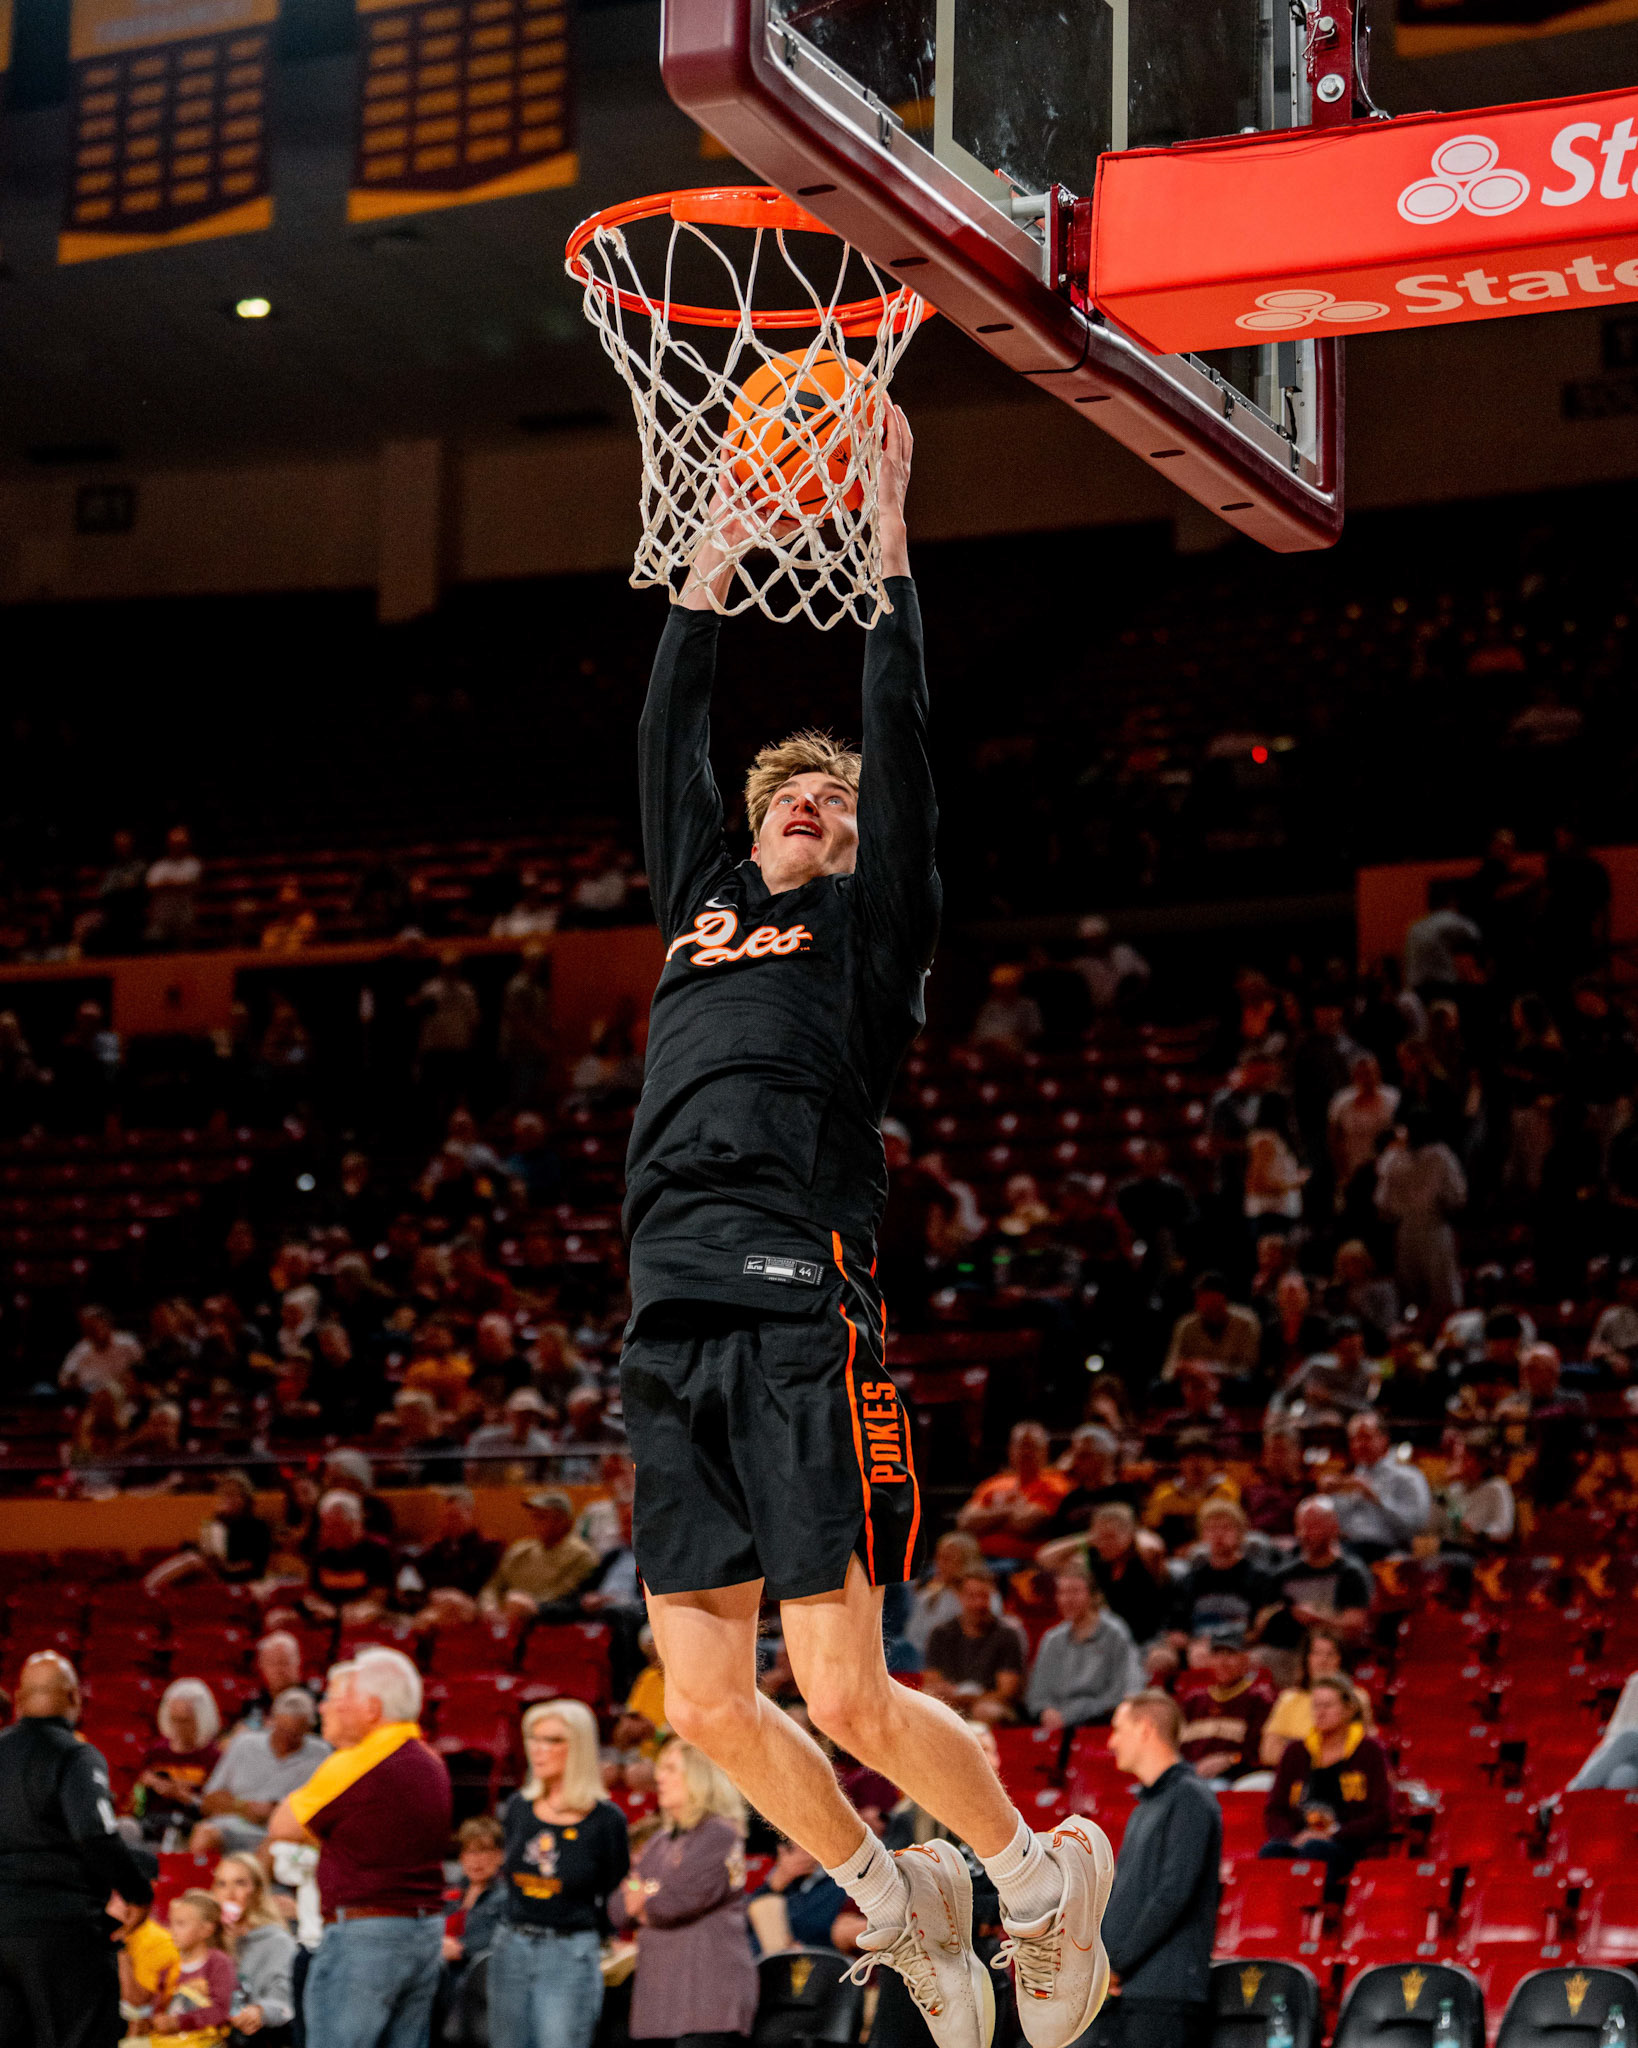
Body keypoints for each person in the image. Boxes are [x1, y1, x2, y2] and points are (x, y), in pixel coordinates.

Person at [616, 406, 1110, 2048]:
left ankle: (1034, 1878)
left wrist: (881, 534)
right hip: (663, 1307)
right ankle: (899, 1906)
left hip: (795, 1288)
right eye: (797, 791)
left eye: (836, 795)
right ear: (755, 823)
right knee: (702, 1703)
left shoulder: (866, 926)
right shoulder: (699, 895)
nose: (819, 800)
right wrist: (712, 546)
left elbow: (894, 730)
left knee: (836, 1684)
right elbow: (669, 721)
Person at [267, 1648, 452, 2048]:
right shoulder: (431, 1760)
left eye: (338, 1697)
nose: (325, 1707)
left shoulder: (357, 1762)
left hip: (365, 1937)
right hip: (423, 1932)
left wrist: (326, 1828)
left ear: (371, 1707)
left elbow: (282, 1825)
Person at [0, 1651, 158, 2048]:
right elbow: (92, 1833)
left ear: (18, 1701)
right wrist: (137, 1889)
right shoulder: (74, 1753)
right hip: (62, 1933)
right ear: (75, 1698)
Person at [486, 1699, 628, 2048]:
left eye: (552, 1740)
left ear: (578, 1747)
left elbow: (618, 1884)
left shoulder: (607, 1820)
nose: (538, 1749)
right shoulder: (519, 1807)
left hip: (568, 1952)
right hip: (510, 1946)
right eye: (534, 1738)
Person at [608, 1739, 757, 2045]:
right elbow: (619, 1908)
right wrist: (641, 1896)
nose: (659, 1777)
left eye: (671, 1769)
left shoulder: (719, 1834)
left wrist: (643, 1897)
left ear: (701, 1778)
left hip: (707, 1991)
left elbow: (676, 1902)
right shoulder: (660, 1840)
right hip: (661, 1996)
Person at [1100, 1691, 1222, 2048]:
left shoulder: (1190, 1798)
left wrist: (1117, 1963)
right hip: (1134, 1989)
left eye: (1118, 1729)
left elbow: (1174, 1893)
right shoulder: (1147, 1805)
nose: (1111, 1742)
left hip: (1166, 1994)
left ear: (1145, 1728)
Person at [1262, 1675, 1391, 1871]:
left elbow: (1382, 1814)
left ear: (1349, 1709)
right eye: (1316, 1706)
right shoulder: (1295, 1752)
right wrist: (1292, 1838)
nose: (1319, 1713)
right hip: (1301, 1840)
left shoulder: (1369, 1751)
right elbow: (1275, 1809)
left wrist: (1334, 1834)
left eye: (1328, 1706)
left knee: (1316, 1849)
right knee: (1272, 1851)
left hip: (1351, 1845)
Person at [191, 1689, 329, 1857]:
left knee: (274, 1847)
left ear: (308, 1728)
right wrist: (244, 1807)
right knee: (203, 1834)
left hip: (281, 1835)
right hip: (233, 1825)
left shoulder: (321, 1754)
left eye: (294, 1735)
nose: (286, 1740)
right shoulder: (244, 1743)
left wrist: (277, 1813)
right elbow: (208, 1801)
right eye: (282, 1731)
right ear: (271, 1721)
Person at [1027, 1570, 1144, 1732]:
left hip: (1100, 1722)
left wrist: (1074, 1714)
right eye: (1062, 1593)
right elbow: (1038, 1692)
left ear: (1093, 1595)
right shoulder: (1052, 1639)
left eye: (1075, 1591)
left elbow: (1125, 1689)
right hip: (1056, 1724)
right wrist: (1046, 1710)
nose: (1068, 1599)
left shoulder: (1115, 1633)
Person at [1260, 1498, 1372, 1653]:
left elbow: (1356, 1625)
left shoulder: (1350, 1572)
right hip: (1287, 1650)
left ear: (1334, 1527)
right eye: (1301, 1527)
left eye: (1314, 1526)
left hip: (1335, 1652)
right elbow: (1262, 1621)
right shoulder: (1283, 1575)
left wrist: (1316, 1618)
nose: (1306, 1534)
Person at [211, 1854, 297, 2041]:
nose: (229, 1893)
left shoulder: (277, 1941)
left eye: (240, 1883)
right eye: (222, 1884)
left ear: (257, 1890)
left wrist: (260, 2011)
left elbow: (283, 2000)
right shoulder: (208, 1937)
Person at [923, 1569, 1026, 1725]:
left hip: (991, 1704)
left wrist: (968, 1698)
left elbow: (1007, 1693)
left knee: (985, 1710)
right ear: (960, 1597)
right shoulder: (941, 1633)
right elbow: (932, 1681)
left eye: (984, 1596)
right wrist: (950, 1694)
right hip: (952, 1700)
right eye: (971, 1596)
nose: (978, 1604)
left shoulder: (1007, 1635)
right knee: (927, 1700)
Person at [1175, 1630, 1277, 1786]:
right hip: (1189, 1775)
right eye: (1217, 1655)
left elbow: (1261, 1754)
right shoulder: (1193, 1700)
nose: (1222, 1662)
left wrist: (1231, 1759)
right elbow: (1176, 1748)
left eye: (1230, 1654)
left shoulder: (1260, 1699)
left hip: (1235, 1778)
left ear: (1246, 1659)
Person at [1329, 1412, 1433, 1564]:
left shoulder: (1408, 1477)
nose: (1359, 1444)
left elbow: (1415, 1527)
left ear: (1384, 1439)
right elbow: (1337, 1526)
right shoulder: (1346, 1479)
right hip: (1348, 1546)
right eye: (1354, 1439)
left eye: (1365, 1437)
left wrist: (1377, 1499)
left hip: (1388, 1549)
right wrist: (1328, 1497)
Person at [479, 1489, 598, 1620]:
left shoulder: (581, 1555)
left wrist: (522, 1605)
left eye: (542, 1516)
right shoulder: (520, 1550)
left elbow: (564, 1596)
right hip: (504, 1615)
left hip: (547, 1620)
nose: (534, 1521)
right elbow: (493, 1586)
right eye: (534, 1516)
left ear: (563, 1521)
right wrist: (490, 1608)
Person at [1259, 1629, 1367, 1767]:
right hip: (1293, 1772)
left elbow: (1359, 1751)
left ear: (1341, 1659)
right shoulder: (1288, 1698)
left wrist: (1292, 1744)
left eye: (1330, 1654)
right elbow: (1268, 1753)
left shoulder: (1357, 1698)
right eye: (1316, 1653)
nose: (1323, 1661)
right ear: (1306, 1659)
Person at [135, 1679, 222, 1843]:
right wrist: (146, 1784)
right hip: (151, 1825)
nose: (178, 1728)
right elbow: (137, 1800)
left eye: (185, 1721)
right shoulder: (156, 1752)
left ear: (201, 1719)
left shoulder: (214, 1757)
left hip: (192, 1828)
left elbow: (215, 1806)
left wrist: (183, 1795)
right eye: (174, 1719)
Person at [154, 1889, 237, 2046]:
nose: (173, 1930)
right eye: (171, 1923)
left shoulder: (218, 1963)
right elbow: (159, 2005)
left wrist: (180, 2022)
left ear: (206, 1929)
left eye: (181, 1924)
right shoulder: (170, 1967)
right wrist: (157, 2020)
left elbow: (221, 2009)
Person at [441, 1817, 508, 1982]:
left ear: (500, 1856)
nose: (476, 1859)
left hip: (479, 1981)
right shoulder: (450, 1893)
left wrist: (459, 1948)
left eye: (484, 1851)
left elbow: (500, 1941)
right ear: (462, 1857)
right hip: (443, 1977)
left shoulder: (507, 1896)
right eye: (470, 1851)